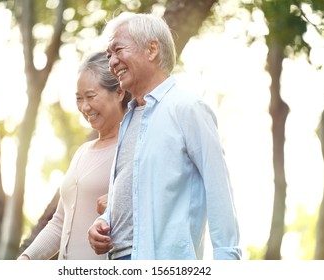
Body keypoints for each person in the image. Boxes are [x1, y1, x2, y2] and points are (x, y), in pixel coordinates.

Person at [87, 12, 242, 260]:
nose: (112, 62)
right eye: (108, 56)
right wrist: (104, 221)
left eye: (118, 50)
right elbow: (135, 193)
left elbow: (219, 189)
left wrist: (227, 261)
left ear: (151, 50)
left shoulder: (187, 108)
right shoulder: (128, 119)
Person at [17, 52, 131, 260]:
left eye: (91, 96)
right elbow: (60, 222)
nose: (84, 107)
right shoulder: (82, 152)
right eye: (79, 99)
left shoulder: (131, 151)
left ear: (120, 92)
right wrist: (27, 258)